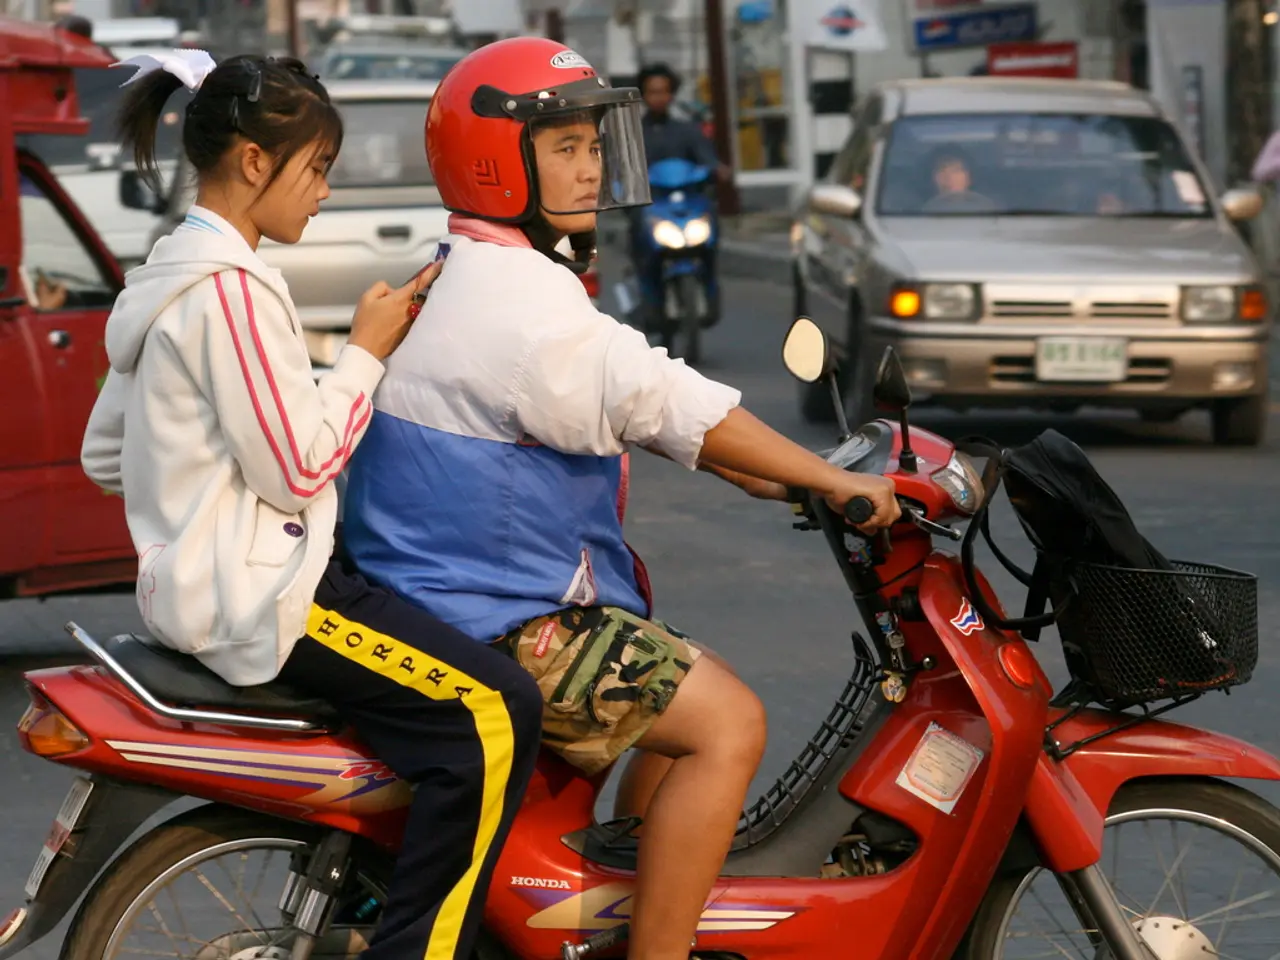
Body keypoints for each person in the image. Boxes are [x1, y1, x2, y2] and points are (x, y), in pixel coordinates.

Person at [340, 37, 901, 960]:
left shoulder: (465, 269)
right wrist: (837, 481)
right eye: (564, 146)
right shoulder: (525, 304)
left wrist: (788, 474)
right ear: (497, 163)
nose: (591, 166)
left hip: (434, 593)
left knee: (685, 675)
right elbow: (663, 398)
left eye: (594, 144)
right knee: (727, 720)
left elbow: (653, 417)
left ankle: (615, 909)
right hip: (497, 616)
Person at [79, 49, 541, 960]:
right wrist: (364, 352)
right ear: (255, 162)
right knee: (498, 711)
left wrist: (191, 490)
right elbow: (300, 468)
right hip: (270, 598)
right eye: (318, 169)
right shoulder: (233, 294)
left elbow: (105, 456)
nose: (324, 192)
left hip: (206, 591)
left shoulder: (163, 277)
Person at [630, 62, 728, 329]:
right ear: (643, 95)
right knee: (639, 236)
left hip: (687, 204)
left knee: (710, 231)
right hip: (652, 207)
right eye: (652, 91)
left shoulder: (687, 130)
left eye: (664, 91)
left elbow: (707, 158)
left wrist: (717, 169)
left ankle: (709, 289)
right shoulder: (635, 133)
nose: (659, 97)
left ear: (672, 94)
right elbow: (622, 168)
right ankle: (647, 298)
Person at [922, 149, 997, 213]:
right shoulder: (922, 213)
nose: (948, 177)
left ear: (969, 177)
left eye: (955, 170)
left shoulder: (988, 208)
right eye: (941, 171)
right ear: (933, 178)